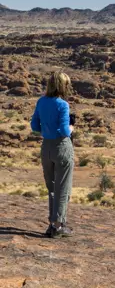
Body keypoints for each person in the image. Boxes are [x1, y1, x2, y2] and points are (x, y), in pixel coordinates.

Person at [30, 72, 76, 238]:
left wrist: (47, 129)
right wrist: (72, 128)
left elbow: (34, 125)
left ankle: (52, 224)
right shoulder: (62, 105)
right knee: (63, 188)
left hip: (46, 147)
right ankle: (58, 226)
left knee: (52, 187)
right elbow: (64, 130)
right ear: (63, 86)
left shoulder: (41, 101)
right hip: (62, 147)